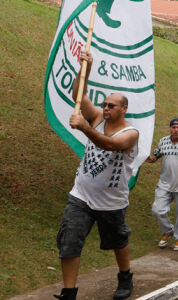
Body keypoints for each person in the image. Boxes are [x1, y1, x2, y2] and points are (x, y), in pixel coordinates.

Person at [55, 50, 139, 300]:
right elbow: (78, 97)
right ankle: (69, 292)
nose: (106, 108)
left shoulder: (131, 133)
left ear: (124, 109)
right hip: (80, 194)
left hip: (111, 202)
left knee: (118, 240)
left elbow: (109, 145)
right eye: (104, 104)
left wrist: (84, 128)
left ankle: (125, 277)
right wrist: (85, 69)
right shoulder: (98, 117)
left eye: (111, 105)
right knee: (69, 241)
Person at [146, 118, 178, 252]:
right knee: (157, 210)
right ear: (170, 128)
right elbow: (155, 157)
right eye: (173, 127)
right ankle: (168, 230)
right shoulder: (163, 141)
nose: (176, 130)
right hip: (164, 184)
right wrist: (148, 157)